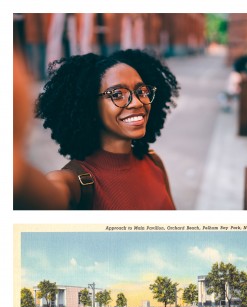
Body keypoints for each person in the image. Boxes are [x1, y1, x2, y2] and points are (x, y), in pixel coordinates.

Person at [14, 49, 179, 210]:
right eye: (117, 95)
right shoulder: (74, 183)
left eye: (141, 91)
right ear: (90, 106)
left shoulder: (154, 162)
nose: (137, 102)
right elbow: (34, 194)